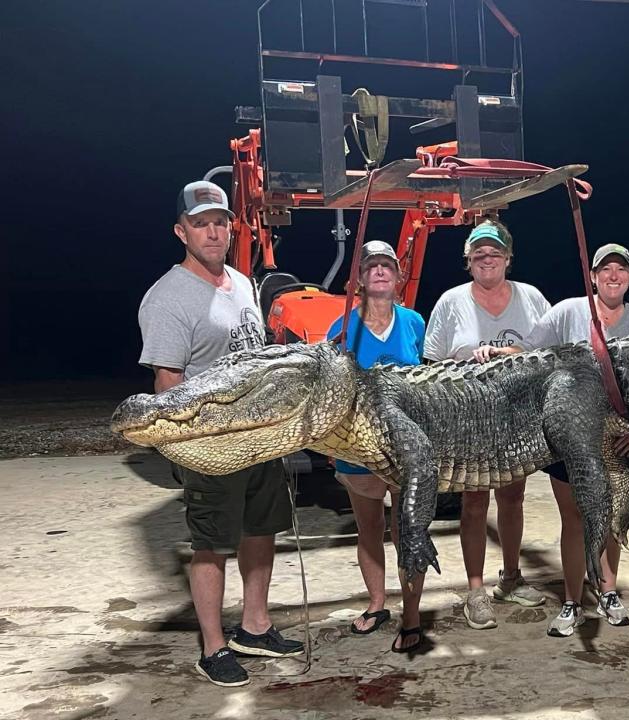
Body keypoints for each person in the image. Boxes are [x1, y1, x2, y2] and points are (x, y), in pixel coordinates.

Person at [137, 181, 302, 687]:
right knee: (211, 544)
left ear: (232, 228)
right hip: (211, 445)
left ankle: (255, 625)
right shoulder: (168, 298)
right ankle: (212, 647)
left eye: (220, 222)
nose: (213, 232)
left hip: (259, 437)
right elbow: (168, 384)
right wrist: (190, 447)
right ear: (180, 231)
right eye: (201, 223)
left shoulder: (242, 282)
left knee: (262, 529)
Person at [517, 243, 629, 638]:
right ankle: (573, 600)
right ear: (593, 277)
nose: (613, 276)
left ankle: (609, 592)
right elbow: (530, 355)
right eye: (605, 270)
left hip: (617, 440)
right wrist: (494, 352)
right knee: (575, 520)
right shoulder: (566, 312)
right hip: (569, 440)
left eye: (621, 270)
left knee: (613, 518)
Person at [423, 219, 553, 629]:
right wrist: (465, 362)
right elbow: (431, 364)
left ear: (508, 258)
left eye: (494, 251)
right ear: (468, 260)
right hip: (471, 421)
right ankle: (475, 589)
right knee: (475, 502)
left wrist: (510, 352)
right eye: (478, 252)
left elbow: (552, 356)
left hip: (517, 419)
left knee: (513, 499)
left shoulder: (531, 298)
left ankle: (511, 578)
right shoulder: (450, 301)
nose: (486, 257)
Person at [327, 240, 429, 654]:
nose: (380, 271)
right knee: (369, 526)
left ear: (399, 277)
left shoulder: (414, 323)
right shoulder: (342, 329)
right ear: (360, 279)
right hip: (360, 448)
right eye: (372, 267)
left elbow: (429, 383)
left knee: (408, 529)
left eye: (387, 265)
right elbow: (334, 392)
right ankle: (376, 602)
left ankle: (412, 613)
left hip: (406, 448)